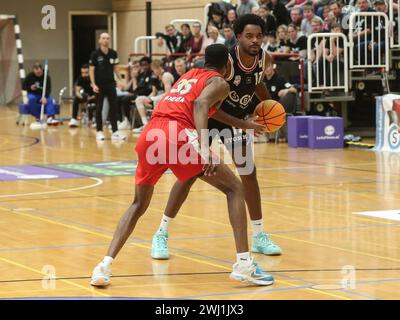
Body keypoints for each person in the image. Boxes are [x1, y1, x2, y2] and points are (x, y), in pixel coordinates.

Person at [90, 44, 274, 287]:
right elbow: (200, 106)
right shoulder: (220, 82)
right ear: (228, 65)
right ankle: (244, 264)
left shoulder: (188, 75)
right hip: (178, 134)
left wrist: (244, 125)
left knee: (138, 204)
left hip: (152, 133)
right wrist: (202, 145)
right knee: (235, 189)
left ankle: (104, 265)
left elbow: (207, 107)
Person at [150, 14, 282, 261]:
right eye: (249, 36)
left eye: (259, 36)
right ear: (238, 36)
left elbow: (257, 83)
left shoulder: (264, 58)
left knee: (248, 173)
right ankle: (161, 233)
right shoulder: (225, 62)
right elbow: (206, 105)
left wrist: (269, 106)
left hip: (236, 122)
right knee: (188, 176)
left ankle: (260, 234)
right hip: (208, 120)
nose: (255, 41)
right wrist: (244, 123)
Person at [89, 33, 126, 141]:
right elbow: (91, 70)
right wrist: (93, 84)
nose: (105, 40)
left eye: (107, 38)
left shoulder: (113, 53)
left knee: (113, 107)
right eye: (103, 38)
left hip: (111, 84)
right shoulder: (95, 54)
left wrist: (120, 80)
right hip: (99, 85)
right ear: (99, 40)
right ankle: (99, 131)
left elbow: (115, 68)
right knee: (99, 108)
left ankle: (115, 132)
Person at [132, 60, 174, 133]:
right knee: (139, 99)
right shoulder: (155, 77)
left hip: (170, 100)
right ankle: (145, 124)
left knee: (156, 101)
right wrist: (148, 98)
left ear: (159, 68)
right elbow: (154, 92)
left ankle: (157, 126)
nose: (153, 71)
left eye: (154, 69)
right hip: (157, 98)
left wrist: (153, 98)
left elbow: (168, 93)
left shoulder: (166, 75)